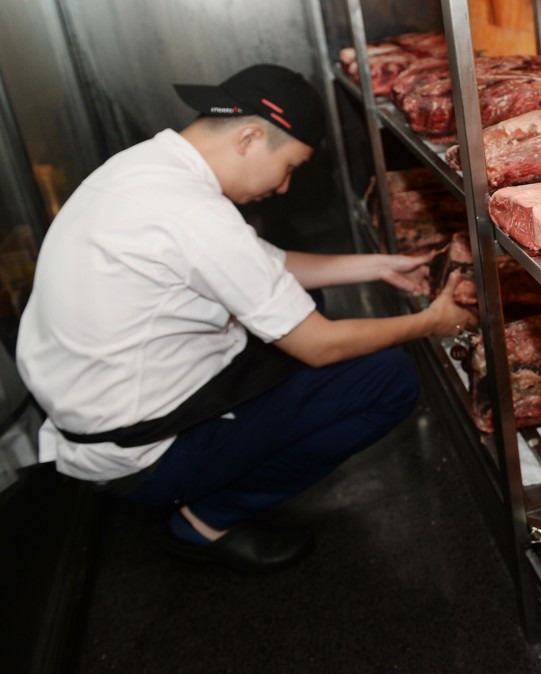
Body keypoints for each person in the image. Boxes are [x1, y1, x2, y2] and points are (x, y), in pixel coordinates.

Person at [15, 64, 476, 573]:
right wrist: (433, 322)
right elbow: (318, 346)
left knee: (304, 304)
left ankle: (217, 472)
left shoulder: (147, 169)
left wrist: (377, 267)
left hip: (91, 419)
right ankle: (206, 520)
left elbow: (263, 265)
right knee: (387, 380)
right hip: (141, 454)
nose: (283, 188)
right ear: (250, 137)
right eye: (292, 166)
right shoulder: (193, 214)